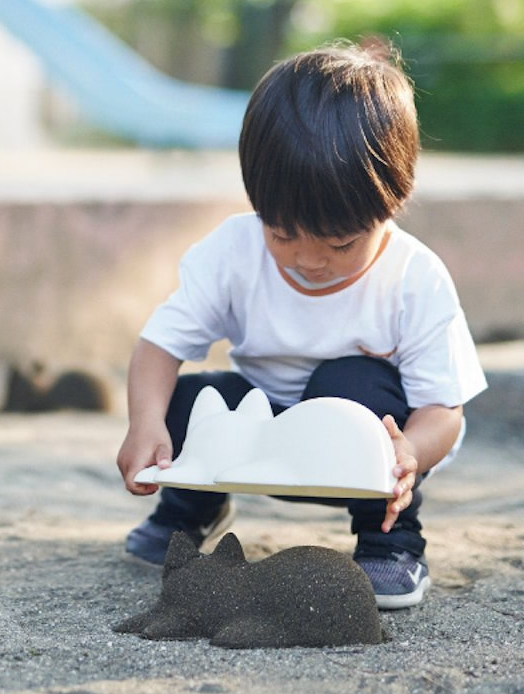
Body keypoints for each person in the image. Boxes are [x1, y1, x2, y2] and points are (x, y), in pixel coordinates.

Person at [116, 42, 487, 610]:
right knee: (186, 398)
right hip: (259, 436)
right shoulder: (233, 252)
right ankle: (188, 510)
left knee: (358, 386)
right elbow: (159, 345)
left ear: (394, 200)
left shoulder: (415, 278)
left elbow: (443, 410)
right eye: (282, 233)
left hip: (361, 456)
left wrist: (407, 453)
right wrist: (144, 423)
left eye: (340, 243)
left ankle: (391, 543)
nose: (308, 260)